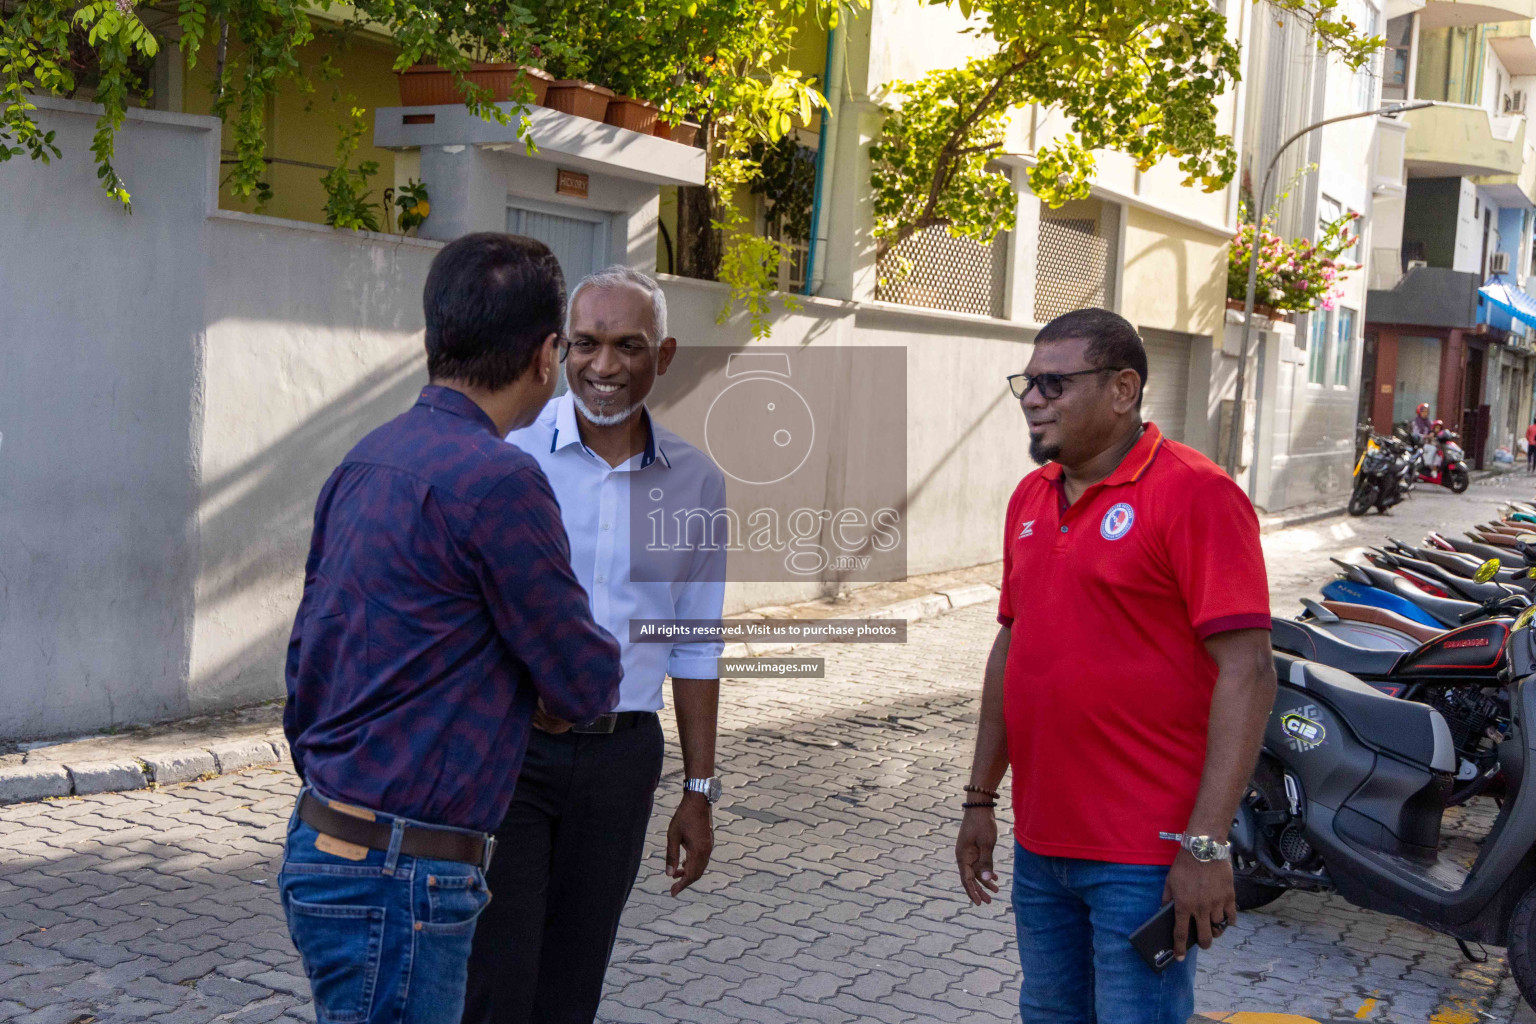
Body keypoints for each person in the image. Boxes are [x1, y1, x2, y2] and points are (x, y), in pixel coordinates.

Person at [280, 233, 624, 1024]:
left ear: (438, 337)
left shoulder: (368, 457)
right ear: (546, 356)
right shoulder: (500, 479)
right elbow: (584, 680)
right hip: (401, 874)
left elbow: (309, 664)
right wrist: (529, 686)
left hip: (329, 844)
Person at [955, 308, 1279, 1024]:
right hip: (1041, 849)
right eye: (1027, 383)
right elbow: (1015, 647)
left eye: (1053, 383)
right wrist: (981, 797)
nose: (1032, 399)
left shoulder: (1196, 492)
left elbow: (1250, 672)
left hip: (1146, 860)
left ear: (1123, 389)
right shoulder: (1030, 499)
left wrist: (1204, 844)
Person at [463, 267, 727, 1024]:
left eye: (627, 345)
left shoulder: (695, 483)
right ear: (557, 350)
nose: (604, 366)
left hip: (622, 758)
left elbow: (695, 642)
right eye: (586, 343)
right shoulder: (513, 455)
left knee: (574, 983)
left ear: (664, 354)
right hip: (514, 752)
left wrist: (698, 789)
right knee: (496, 977)